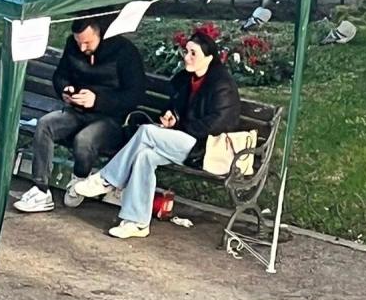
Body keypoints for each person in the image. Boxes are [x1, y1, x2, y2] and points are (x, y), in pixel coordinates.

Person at [76, 31, 241, 239]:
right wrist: (172, 117)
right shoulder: (186, 80)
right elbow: (177, 109)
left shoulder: (221, 84)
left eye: (193, 53)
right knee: (144, 155)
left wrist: (181, 126)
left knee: (146, 132)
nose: (187, 57)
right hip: (184, 140)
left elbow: (221, 122)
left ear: (209, 58)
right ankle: (137, 222)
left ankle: (107, 179)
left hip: (204, 147)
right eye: (186, 51)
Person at [13, 16, 146, 213]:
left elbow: (134, 94)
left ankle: (79, 180)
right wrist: (65, 89)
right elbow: (60, 75)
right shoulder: (73, 46)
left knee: (85, 140)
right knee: (46, 124)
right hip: (77, 111)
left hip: (111, 119)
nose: (82, 48)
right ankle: (40, 189)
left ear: (100, 34)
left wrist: (98, 100)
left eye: (87, 42)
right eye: (78, 42)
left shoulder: (124, 52)